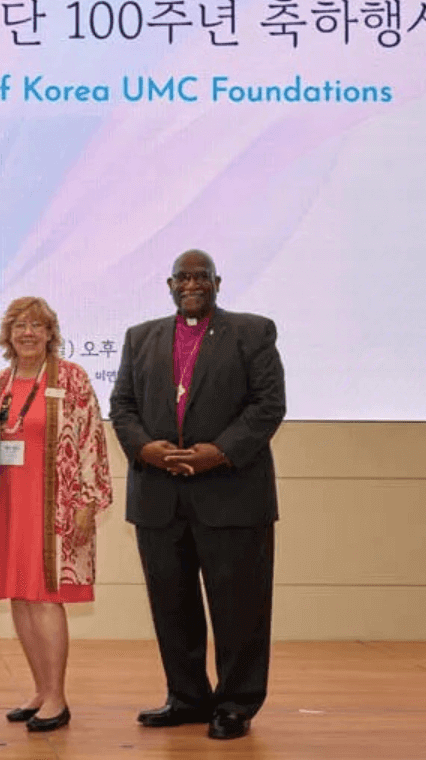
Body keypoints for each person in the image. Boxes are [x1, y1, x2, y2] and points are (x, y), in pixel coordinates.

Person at [108, 249, 286, 741]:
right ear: (169, 284)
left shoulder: (252, 333)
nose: (191, 284)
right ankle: (186, 697)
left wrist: (219, 452)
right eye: (183, 277)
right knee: (172, 605)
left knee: (240, 608)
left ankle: (236, 703)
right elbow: (121, 405)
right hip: (159, 497)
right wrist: (145, 449)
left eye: (200, 276)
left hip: (231, 494)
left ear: (217, 282)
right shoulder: (140, 338)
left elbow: (269, 405)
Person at [0, 296, 112, 734]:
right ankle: (41, 689)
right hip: (8, 504)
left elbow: (91, 440)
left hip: (55, 506)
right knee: (21, 598)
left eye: (37, 326)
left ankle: (58, 698)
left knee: (46, 597)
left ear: (50, 333)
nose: (27, 332)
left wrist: (87, 500)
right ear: (7, 334)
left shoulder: (72, 378)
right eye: (19, 325)